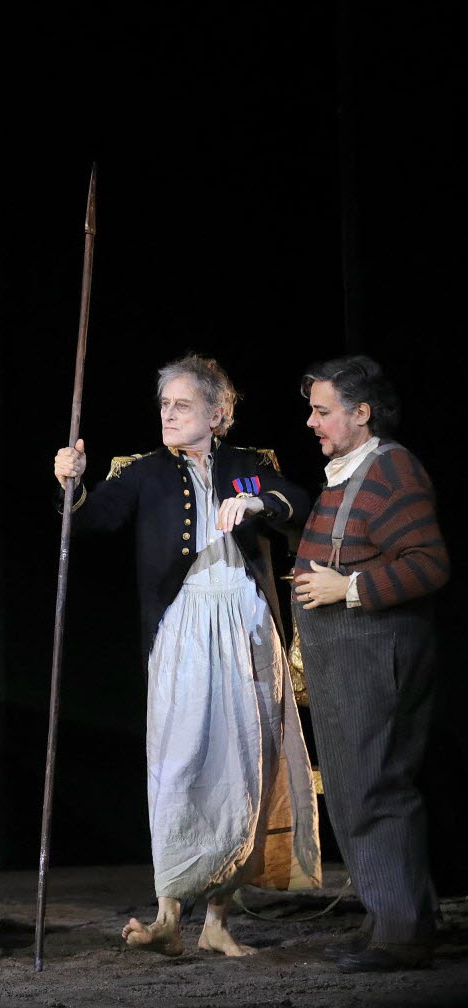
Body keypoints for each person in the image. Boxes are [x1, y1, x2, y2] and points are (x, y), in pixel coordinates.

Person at [52, 354, 320, 956]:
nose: (168, 415)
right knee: (179, 767)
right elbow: (90, 522)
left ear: (217, 413)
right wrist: (72, 483)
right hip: (182, 629)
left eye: (183, 405)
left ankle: (217, 923)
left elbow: (298, 502)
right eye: (165, 405)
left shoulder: (250, 466)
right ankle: (168, 915)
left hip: (247, 627)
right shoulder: (145, 472)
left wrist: (258, 504)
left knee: (242, 767)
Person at [292, 355, 449, 973]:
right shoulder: (348, 473)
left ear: (362, 413)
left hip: (375, 650)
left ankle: (403, 936)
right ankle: (393, 917)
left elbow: (429, 564)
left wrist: (350, 588)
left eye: (322, 411)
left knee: (374, 787)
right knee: (355, 787)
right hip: (346, 653)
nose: (312, 422)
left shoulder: (391, 470)